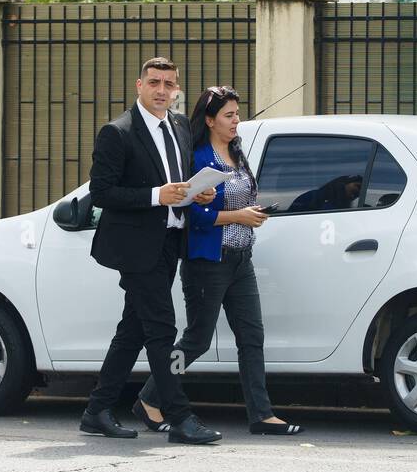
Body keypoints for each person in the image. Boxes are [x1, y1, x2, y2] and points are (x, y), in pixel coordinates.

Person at [130, 85, 304, 436]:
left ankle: (262, 414)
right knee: (197, 339)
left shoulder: (237, 154)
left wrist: (251, 213)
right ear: (209, 120)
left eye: (237, 114)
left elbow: (240, 200)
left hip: (242, 259)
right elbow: (192, 215)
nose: (236, 121)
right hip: (208, 262)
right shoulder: (196, 158)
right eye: (229, 115)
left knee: (251, 337)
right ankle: (150, 396)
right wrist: (238, 216)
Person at [79, 57, 222, 444]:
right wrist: (157, 195)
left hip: (171, 242)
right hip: (134, 247)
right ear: (139, 85)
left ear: (177, 90)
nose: (162, 90)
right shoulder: (117, 132)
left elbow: (180, 183)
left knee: (134, 329)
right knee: (162, 328)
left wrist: (197, 192)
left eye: (169, 84)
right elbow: (103, 193)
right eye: (155, 82)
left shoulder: (178, 126)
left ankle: (96, 410)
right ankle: (180, 417)